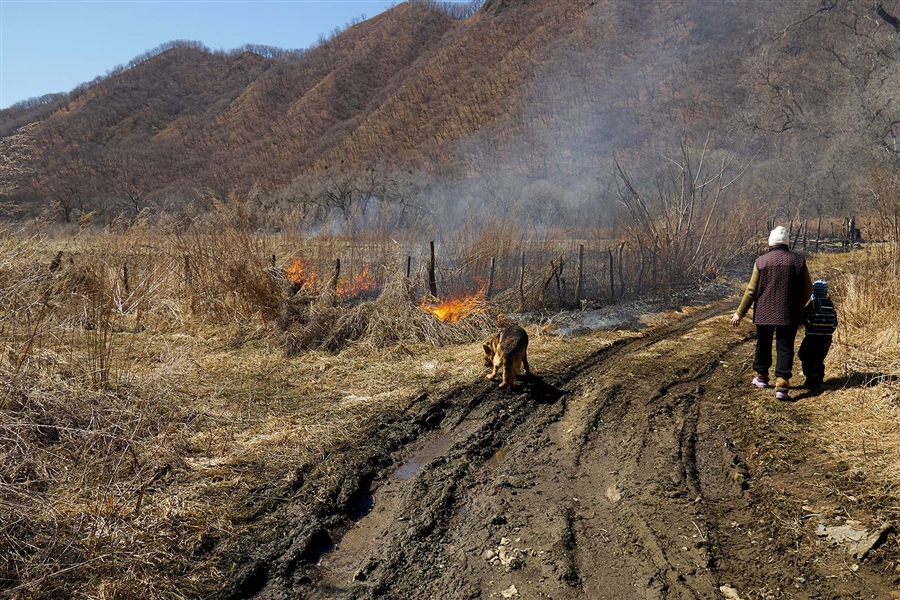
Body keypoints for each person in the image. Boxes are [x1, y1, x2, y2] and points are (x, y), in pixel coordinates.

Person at [731, 226, 812, 401]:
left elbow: (751, 291)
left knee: (764, 343)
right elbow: (808, 289)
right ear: (787, 243)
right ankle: (782, 384)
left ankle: (762, 377)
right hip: (789, 312)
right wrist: (798, 305)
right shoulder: (798, 261)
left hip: (764, 311)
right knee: (785, 346)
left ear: (771, 243)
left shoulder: (761, 261)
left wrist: (739, 313)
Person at [798, 279, 838, 388]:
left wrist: (807, 325)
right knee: (819, 358)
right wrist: (829, 331)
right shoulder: (830, 304)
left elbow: (806, 318)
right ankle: (819, 378)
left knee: (804, 355)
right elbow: (835, 322)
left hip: (812, 336)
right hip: (827, 337)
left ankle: (811, 376)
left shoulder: (813, 304)